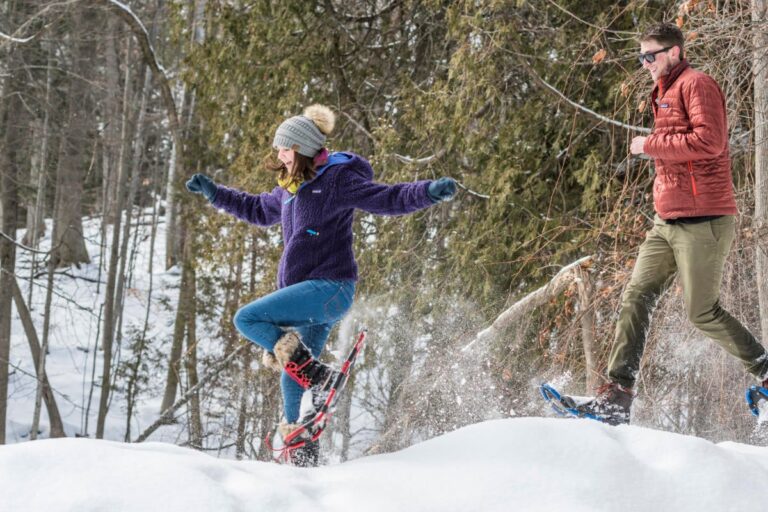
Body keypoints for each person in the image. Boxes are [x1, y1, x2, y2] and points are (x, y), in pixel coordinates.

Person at [186, 105, 457, 464]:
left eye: (285, 148)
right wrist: (215, 193)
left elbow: (387, 198)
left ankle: (318, 375)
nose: (279, 155)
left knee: (246, 319)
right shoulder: (289, 188)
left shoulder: (336, 180)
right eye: (278, 149)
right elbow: (256, 209)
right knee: (292, 370)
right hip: (310, 298)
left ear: (301, 148)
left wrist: (429, 192)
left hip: (330, 289)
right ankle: (300, 448)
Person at [567, 22, 768, 425]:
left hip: (704, 220)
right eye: (641, 57)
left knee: (702, 311)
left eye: (650, 56)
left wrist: (650, 145)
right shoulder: (663, 91)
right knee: (636, 295)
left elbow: (710, 141)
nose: (644, 63)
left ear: (674, 52)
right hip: (667, 222)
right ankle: (616, 398)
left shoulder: (697, 84)